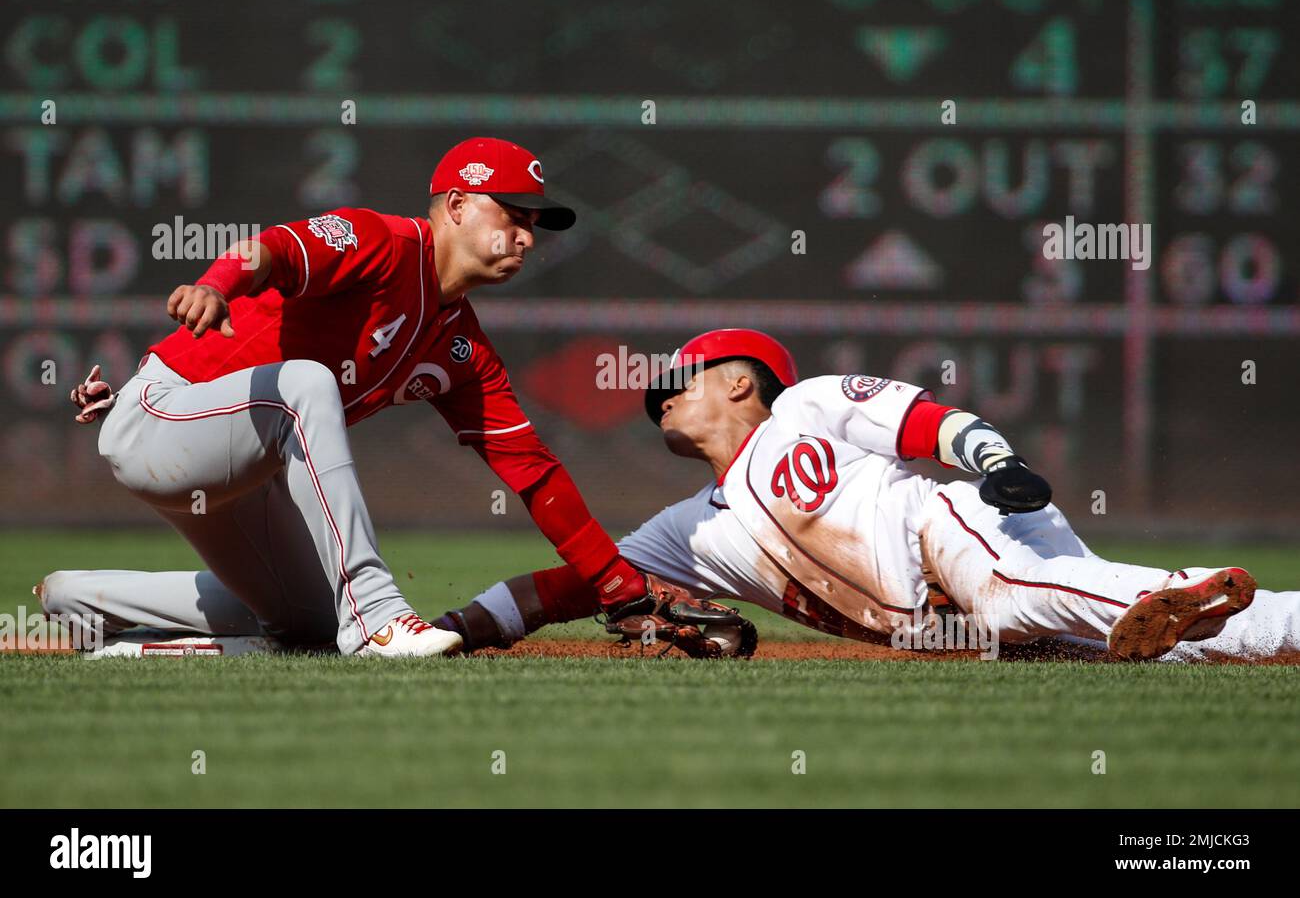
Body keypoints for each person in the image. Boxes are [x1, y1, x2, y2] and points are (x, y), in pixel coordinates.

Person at [42, 137, 655, 657]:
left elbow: (534, 472)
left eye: (534, 224)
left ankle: (89, 606)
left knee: (308, 627)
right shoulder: (382, 242)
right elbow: (274, 249)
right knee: (306, 381)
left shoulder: (464, 348)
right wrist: (214, 283)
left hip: (239, 464)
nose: (526, 235)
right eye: (514, 215)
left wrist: (620, 585)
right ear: (460, 205)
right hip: (162, 420)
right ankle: (376, 617)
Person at [434, 328, 1300, 664]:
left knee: (1009, 598)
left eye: (678, 384)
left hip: (960, 524)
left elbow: (925, 424)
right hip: (946, 629)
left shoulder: (803, 405)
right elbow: (570, 586)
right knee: (1157, 653)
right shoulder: (689, 532)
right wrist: (455, 627)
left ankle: (1176, 585)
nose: (661, 399)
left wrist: (993, 458)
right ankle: (1248, 617)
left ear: (740, 381)